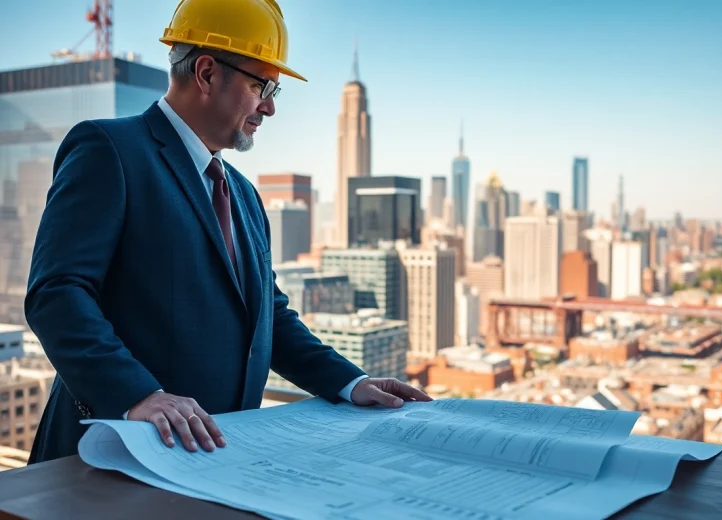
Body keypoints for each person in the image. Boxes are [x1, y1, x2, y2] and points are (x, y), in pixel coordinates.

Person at [25, 0, 430, 464]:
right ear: (206, 73)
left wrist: (351, 383)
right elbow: (56, 294)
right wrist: (139, 395)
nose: (271, 107)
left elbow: (268, 319)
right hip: (108, 458)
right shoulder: (110, 150)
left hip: (214, 459)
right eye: (262, 85)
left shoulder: (243, 194)